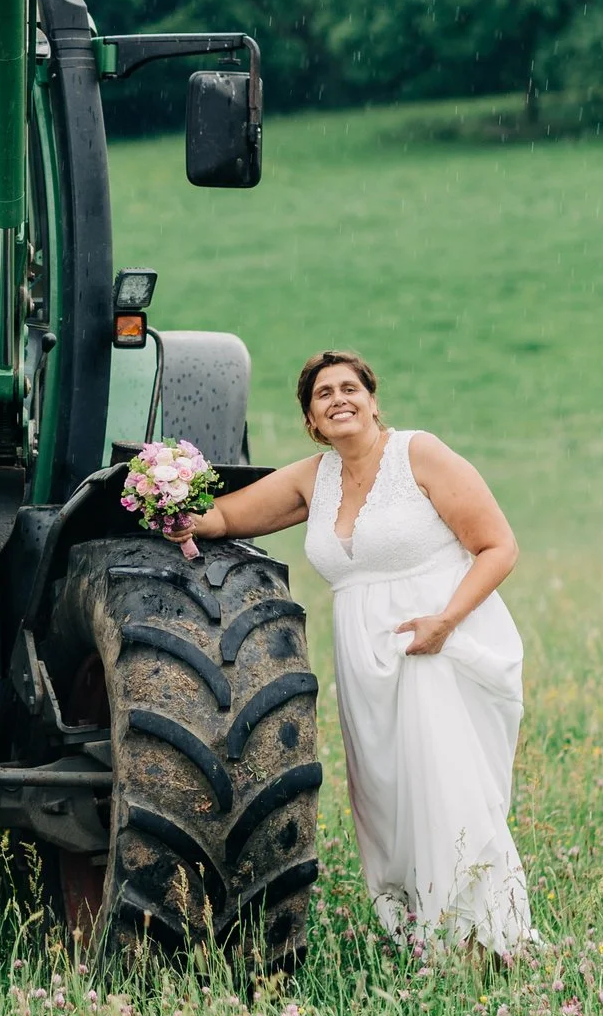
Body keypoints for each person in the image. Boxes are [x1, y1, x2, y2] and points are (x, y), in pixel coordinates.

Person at [172, 350, 535, 963]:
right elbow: (228, 515)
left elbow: (499, 546)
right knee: (388, 799)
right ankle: (421, 933)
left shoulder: (419, 454)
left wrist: (446, 621)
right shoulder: (315, 478)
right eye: (323, 394)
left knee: (445, 787)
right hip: (366, 663)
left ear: (372, 399)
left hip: (436, 642)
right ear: (312, 419)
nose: (338, 399)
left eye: (349, 388)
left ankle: (486, 940)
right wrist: (170, 506)